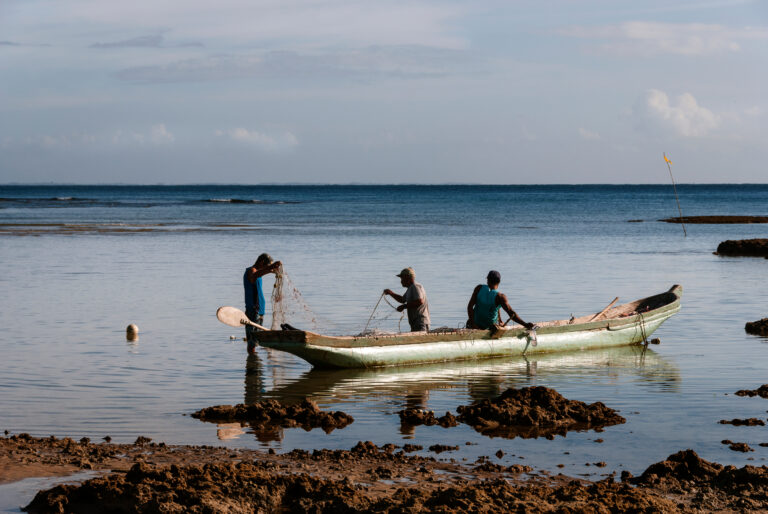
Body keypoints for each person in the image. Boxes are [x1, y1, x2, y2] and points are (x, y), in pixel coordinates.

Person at [467, 270, 534, 330]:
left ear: (487, 280)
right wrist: (525, 324)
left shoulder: (479, 288)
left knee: (469, 321)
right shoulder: (500, 297)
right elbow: (511, 314)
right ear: (499, 282)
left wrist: (473, 324)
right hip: (490, 327)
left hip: (475, 325)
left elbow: (470, 307)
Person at [243, 253, 282, 351]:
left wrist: (273, 270)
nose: (268, 268)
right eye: (267, 265)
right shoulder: (251, 271)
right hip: (253, 309)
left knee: (257, 340)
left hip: (260, 310)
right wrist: (270, 268)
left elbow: (260, 273)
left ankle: (254, 361)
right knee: (252, 341)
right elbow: (254, 276)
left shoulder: (259, 272)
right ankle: (252, 363)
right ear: (262, 262)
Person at [383, 267, 431, 332]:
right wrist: (391, 293)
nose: (401, 281)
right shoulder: (410, 288)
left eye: (402, 278)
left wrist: (404, 306)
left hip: (421, 323)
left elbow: (420, 301)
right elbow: (402, 300)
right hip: (415, 323)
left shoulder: (415, 286)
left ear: (408, 278)